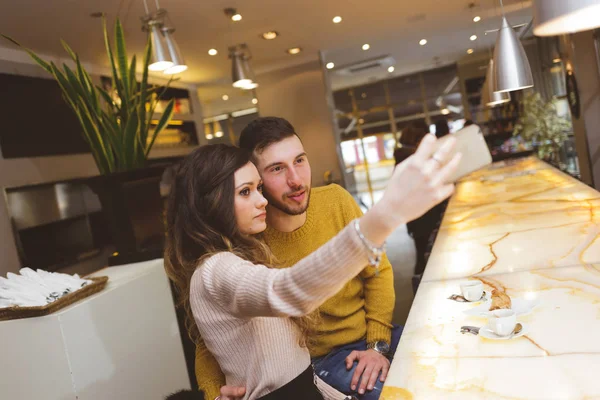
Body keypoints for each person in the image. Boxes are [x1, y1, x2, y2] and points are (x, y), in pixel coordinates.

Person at [166, 136, 459, 400]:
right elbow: (287, 291)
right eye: (245, 192)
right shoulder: (216, 269)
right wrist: (384, 216)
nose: (262, 200)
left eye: (257, 188)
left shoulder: (240, 256)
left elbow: (297, 372)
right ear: (210, 203)